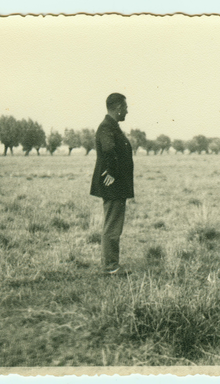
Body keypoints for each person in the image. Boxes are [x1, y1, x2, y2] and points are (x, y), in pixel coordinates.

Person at [90, 93, 134, 275]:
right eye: (125, 107)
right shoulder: (107, 127)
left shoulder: (111, 126)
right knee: (112, 226)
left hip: (116, 186)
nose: (127, 111)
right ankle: (110, 267)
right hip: (113, 186)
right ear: (118, 108)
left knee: (113, 224)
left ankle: (110, 264)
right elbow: (108, 149)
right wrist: (113, 172)